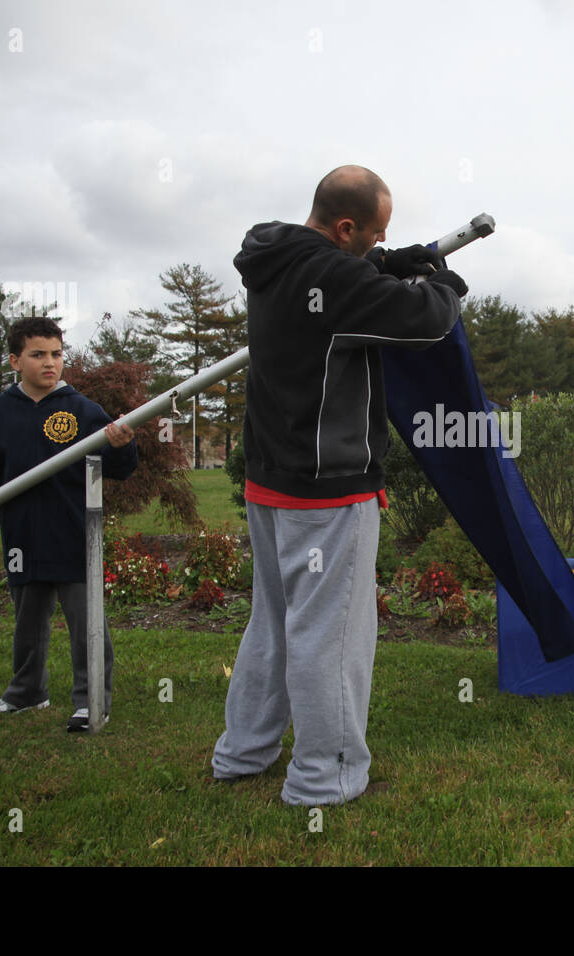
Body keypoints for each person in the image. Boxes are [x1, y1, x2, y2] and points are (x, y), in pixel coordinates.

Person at [212, 165, 468, 804]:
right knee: (331, 636)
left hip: (271, 479)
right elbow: (427, 319)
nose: (380, 243)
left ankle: (242, 753)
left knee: (272, 624)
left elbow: (356, 279)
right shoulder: (334, 277)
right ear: (346, 225)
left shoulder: (274, 257)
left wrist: (388, 260)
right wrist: (444, 278)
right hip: (328, 491)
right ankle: (324, 778)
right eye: (375, 234)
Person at [0, 315, 138, 732]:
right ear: (16, 360)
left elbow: (120, 468)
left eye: (56, 354)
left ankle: (92, 701)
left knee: (87, 624)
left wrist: (124, 447)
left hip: (73, 535)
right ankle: (27, 693)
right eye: (38, 355)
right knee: (27, 621)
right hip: (21, 535)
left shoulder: (82, 410)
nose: (49, 363)